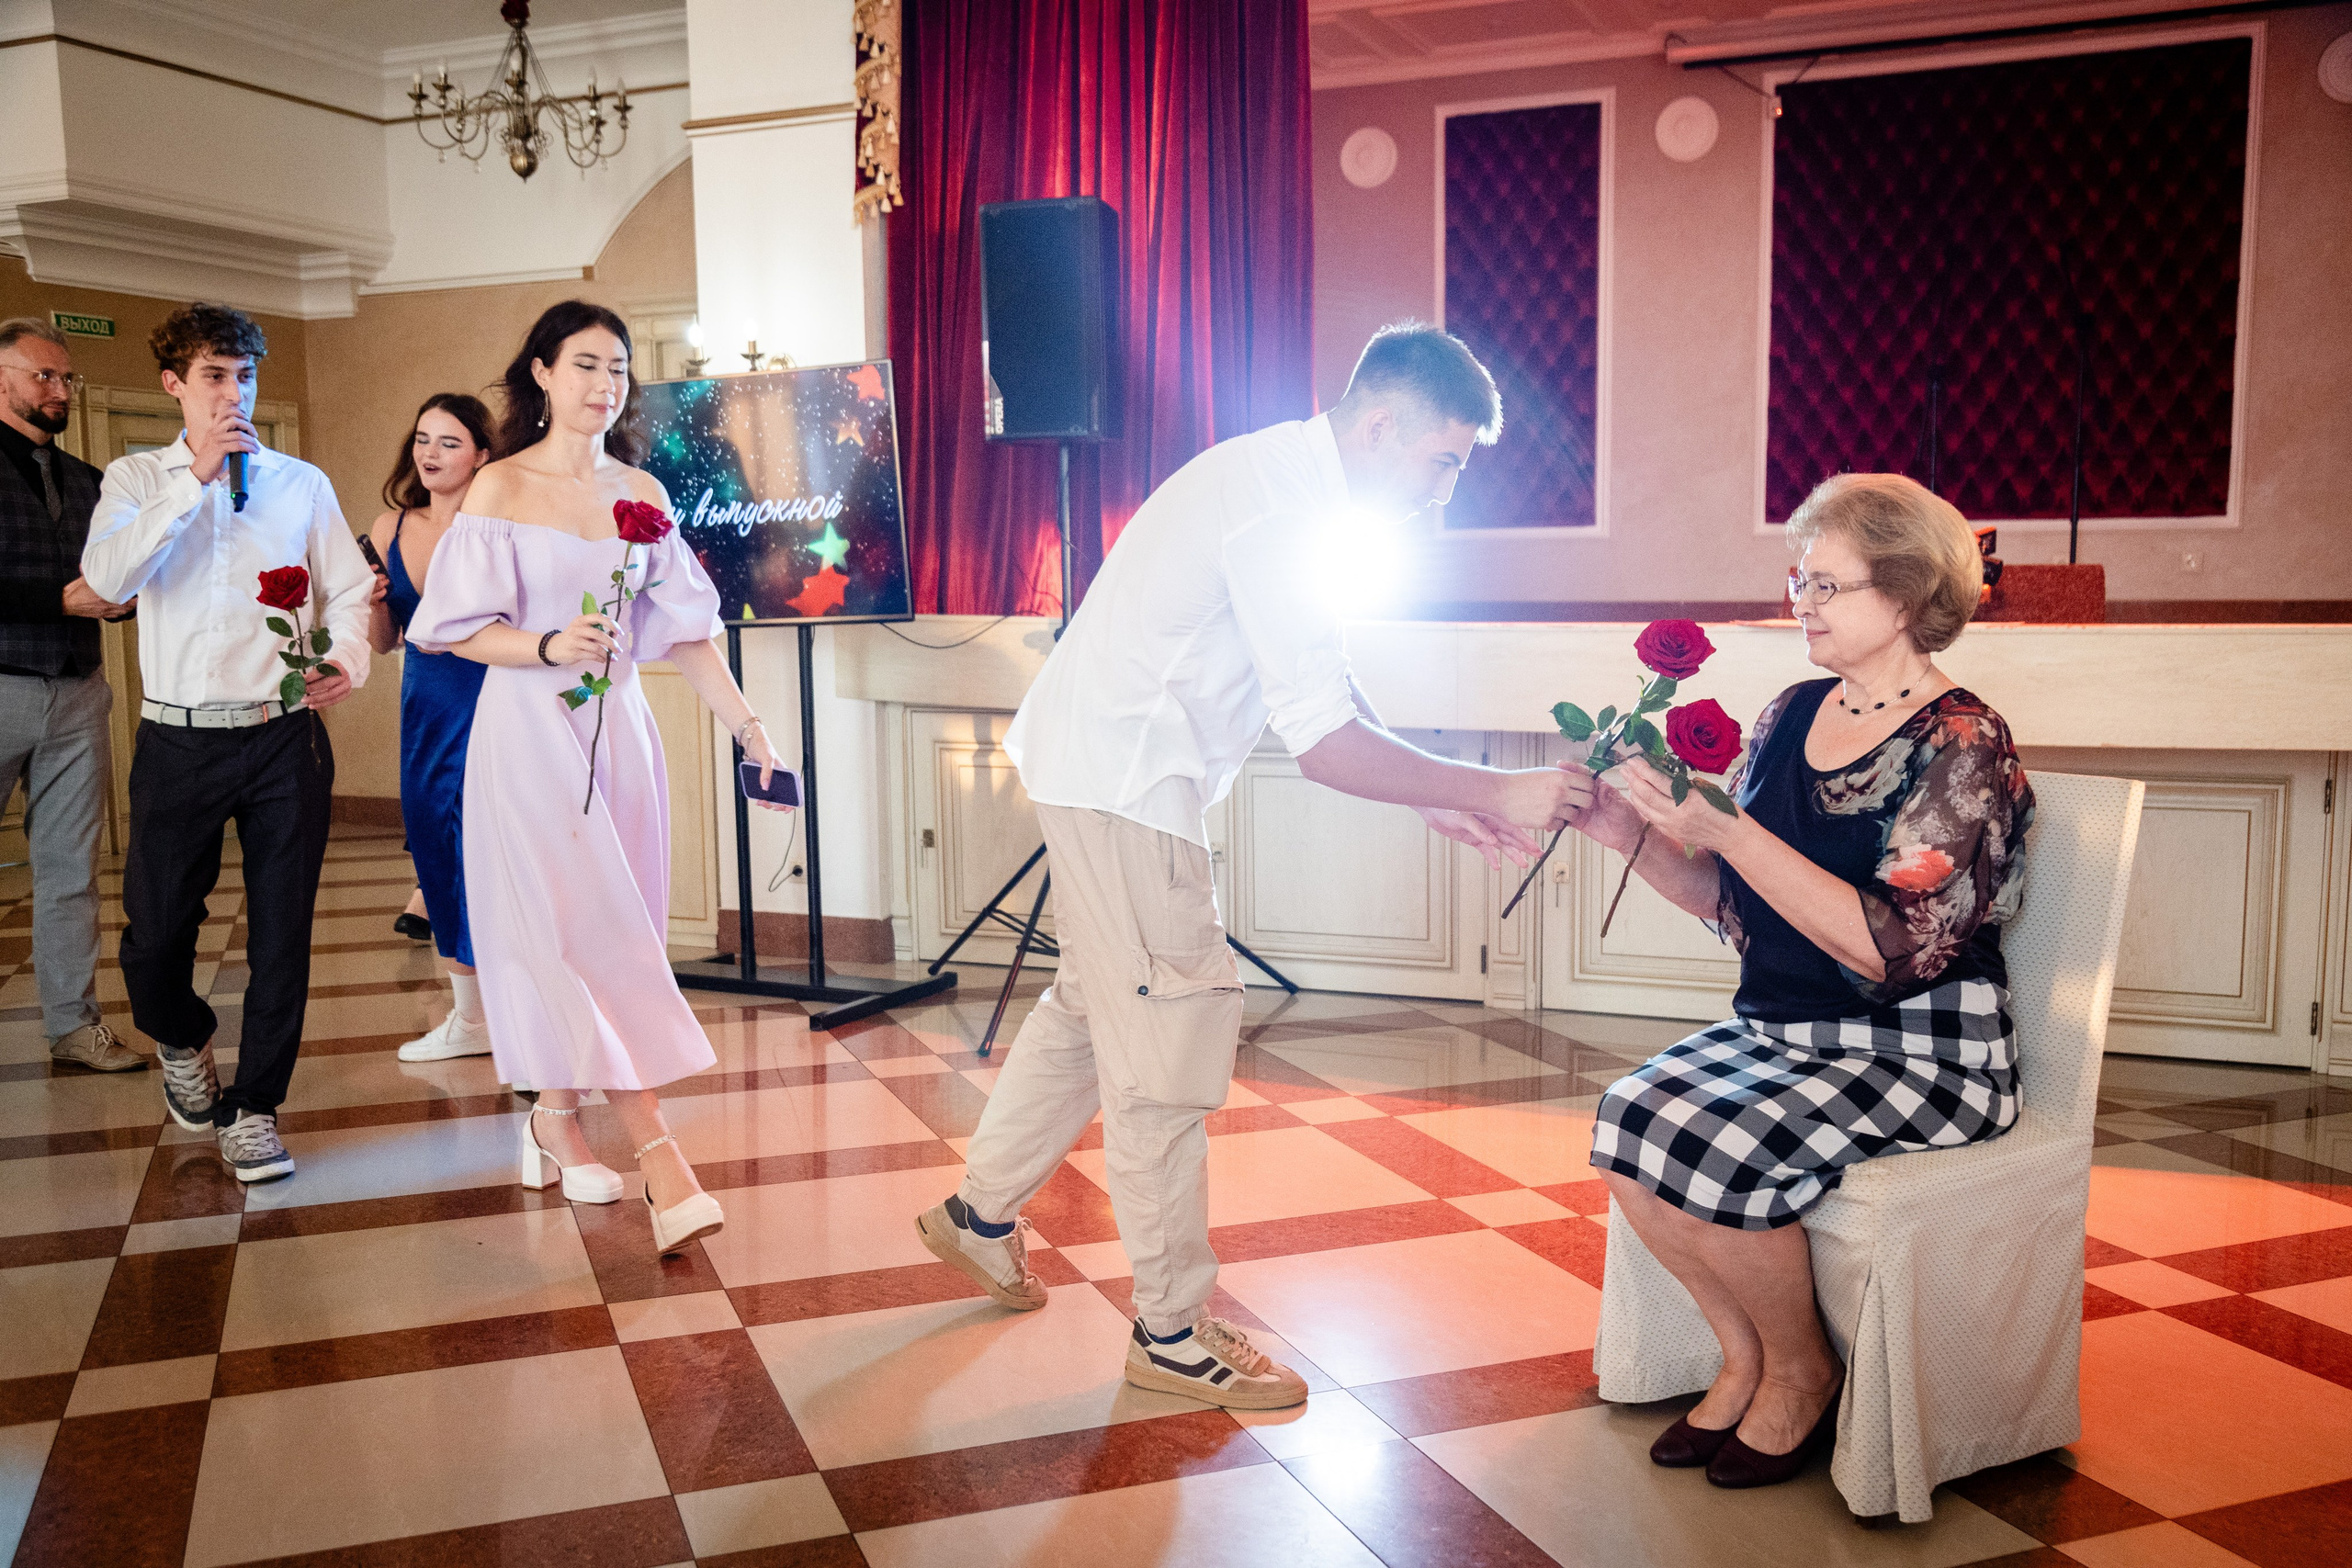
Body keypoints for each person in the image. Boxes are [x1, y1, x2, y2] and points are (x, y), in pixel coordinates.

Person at [912, 322, 1590, 1411]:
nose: (1442, 494)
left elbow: (1322, 684)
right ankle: (1171, 1334)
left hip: (1099, 767)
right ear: (1381, 426)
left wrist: (1445, 797)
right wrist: (1492, 789)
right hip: (1128, 786)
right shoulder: (1288, 513)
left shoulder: (1285, 477)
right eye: (1441, 463)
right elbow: (1321, 746)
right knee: (1166, 1057)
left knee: (1094, 1011)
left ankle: (976, 1217)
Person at [1575, 472, 2034, 1489]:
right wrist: (1627, 833)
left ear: (1908, 595)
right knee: (1624, 1124)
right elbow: (1731, 903)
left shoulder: (1962, 743)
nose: (1802, 604)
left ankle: (1799, 1374)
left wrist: (1727, 828)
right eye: (1798, 581)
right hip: (1786, 1029)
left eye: (1827, 585)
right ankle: (1744, 1359)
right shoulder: (1788, 713)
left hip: (1920, 1045)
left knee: (1718, 1149)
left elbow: (1890, 947)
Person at [407, 299, 787, 1254]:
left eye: (616, 369)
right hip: (528, 731)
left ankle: (555, 1116)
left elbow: (691, 631)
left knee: (613, 924)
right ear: (540, 372)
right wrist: (543, 642)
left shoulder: (644, 492)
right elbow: (454, 628)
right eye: (583, 364)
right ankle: (660, 1157)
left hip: (617, 729)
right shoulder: (496, 488)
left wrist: (747, 726)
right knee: (575, 926)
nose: (602, 385)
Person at [83, 302, 377, 1182]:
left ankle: (256, 1107)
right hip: (177, 742)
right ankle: (183, 1037)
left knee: (282, 932)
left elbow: (352, 591)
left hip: (283, 737)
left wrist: (347, 659)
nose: (232, 392)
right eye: (214, 376)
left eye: (243, 376)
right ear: (175, 384)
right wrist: (194, 481)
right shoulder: (134, 480)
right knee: (156, 933)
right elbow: (106, 579)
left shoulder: (301, 483)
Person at [0, 318, 138, 1072]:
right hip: (1, 683)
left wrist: (125, 600)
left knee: (68, 869)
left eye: (66, 378)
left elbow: (119, 572)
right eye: (43, 376)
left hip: (79, 691)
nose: (59, 390)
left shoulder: (90, 480)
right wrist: (60, 601)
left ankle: (73, 1024)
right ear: (2, 381)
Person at [363, 393, 497, 1062]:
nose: (430, 453)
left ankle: (524, 1017)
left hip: (495, 698)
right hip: (425, 703)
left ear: (482, 453)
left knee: (497, 851)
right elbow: (386, 641)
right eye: (423, 438)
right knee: (435, 848)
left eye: (449, 441)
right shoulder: (390, 526)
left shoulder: (501, 523)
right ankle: (468, 1019)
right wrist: (373, 602)